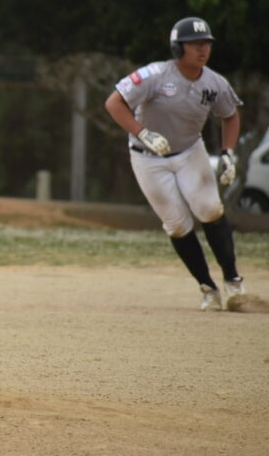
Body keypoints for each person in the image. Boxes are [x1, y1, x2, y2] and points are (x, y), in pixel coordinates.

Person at [104, 16, 245, 311]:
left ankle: (233, 281)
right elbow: (114, 103)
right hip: (148, 158)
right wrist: (142, 133)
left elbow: (230, 115)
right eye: (194, 44)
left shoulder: (214, 82)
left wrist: (228, 153)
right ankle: (208, 288)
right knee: (178, 225)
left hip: (189, 151)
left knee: (210, 209)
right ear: (178, 47)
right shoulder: (155, 75)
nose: (202, 49)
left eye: (206, 43)